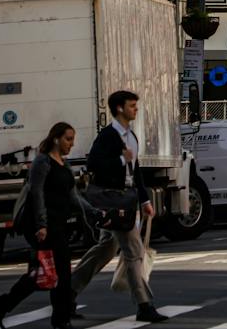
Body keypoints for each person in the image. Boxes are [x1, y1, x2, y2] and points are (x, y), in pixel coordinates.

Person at [72, 91, 166, 323]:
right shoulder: (108, 136)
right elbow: (94, 164)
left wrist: (145, 200)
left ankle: (66, 292)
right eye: (132, 106)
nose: (136, 109)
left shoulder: (131, 136)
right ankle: (144, 305)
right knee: (134, 251)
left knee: (106, 247)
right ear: (119, 108)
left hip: (126, 198)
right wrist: (121, 160)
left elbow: (136, 170)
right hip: (112, 200)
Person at [0, 123, 97, 329]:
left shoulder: (64, 165)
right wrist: (41, 225)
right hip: (43, 227)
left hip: (59, 225)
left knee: (48, 274)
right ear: (56, 139)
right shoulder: (42, 161)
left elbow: (73, 197)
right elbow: (37, 193)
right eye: (68, 139)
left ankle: (6, 304)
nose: (71, 144)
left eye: (73, 139)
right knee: (55, 274)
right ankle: (60, 320)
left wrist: (94, 212)